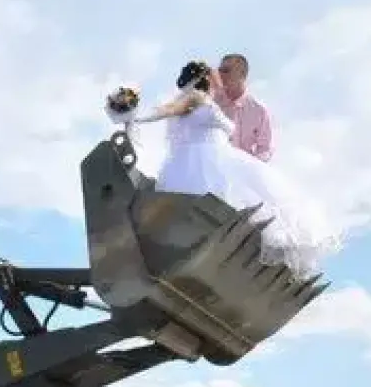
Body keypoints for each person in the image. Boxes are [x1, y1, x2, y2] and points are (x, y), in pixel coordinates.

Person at [104, 60, 342, 279]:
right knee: (248, 201)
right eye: (216, 74)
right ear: (206, 78)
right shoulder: (195, 97)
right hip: (206, 160)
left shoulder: (204, 101)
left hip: (209, 157)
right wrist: (134, 116)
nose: (220, 78)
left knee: (251, 202)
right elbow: (167, 110)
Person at [215, 53, 272, 161]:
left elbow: (264, 148)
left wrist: (252, 168)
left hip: (241, 173)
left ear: (242, 74)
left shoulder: (259, 110)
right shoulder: (210, 104)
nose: (220, 74)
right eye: (220, 70)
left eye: (226, 70)